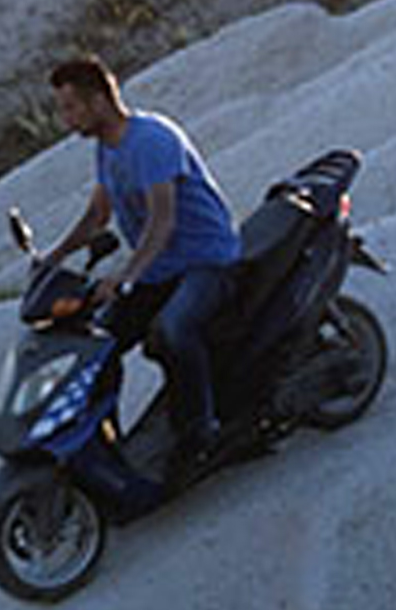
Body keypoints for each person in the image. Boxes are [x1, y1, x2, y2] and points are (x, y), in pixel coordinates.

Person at [41, 55, 245, 460]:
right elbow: (99, 214)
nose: (65, 120)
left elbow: (162, 219)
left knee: (173, 330)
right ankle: (105, 445)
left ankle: (203, 432)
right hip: (160, 269)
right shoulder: (107, 149)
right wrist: (54, 255)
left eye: (71, 107)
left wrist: (125, 275)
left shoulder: (149, 141)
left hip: (206, 261)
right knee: (98, 343)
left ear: (99, 101)